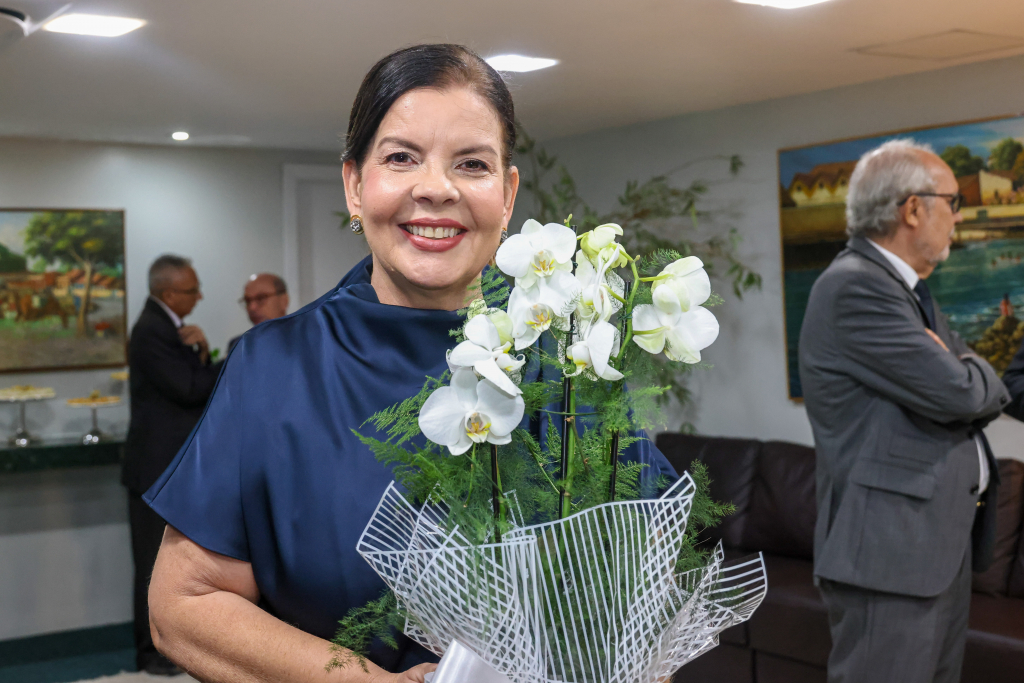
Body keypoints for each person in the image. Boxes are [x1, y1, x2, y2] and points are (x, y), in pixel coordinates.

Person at [144, 44, 676, 683]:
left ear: (506, 196)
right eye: (401, 158)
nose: (436, 189)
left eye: (472, 164)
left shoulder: (571, 361)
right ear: (355, 185)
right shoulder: (275, 367)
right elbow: (184, 606)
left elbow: (649, 596)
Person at [799, 139, 1010, 683]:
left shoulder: (911, 293)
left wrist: (964, 370)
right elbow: (964, 391)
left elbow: (970, 373)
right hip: (890, 554)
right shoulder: (856, 288)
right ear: (913, 209)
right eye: (953, 202)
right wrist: (965, 372)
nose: (959, 217)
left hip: (930, 547)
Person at [123, 254, 220, 675]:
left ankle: (171, 650)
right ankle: (151, 655)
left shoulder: (164, 327)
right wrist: (230, 357)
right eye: (191, 289)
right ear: (168, 294)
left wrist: (199, 349)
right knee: (151, 562)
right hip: (154, 469)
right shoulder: (151, 331)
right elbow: (188, 389)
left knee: (171, 564)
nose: (199, 296)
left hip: (164, 468)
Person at [227, 273, 289, 355]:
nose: (252, 307)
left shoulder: (305, 341)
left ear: (284, 300)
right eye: (247, 300)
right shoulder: (239, 346)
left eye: (261, 298)